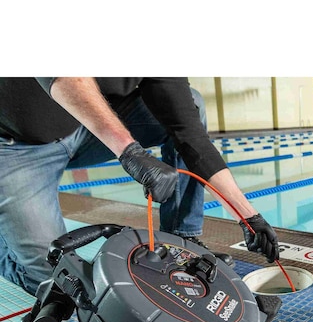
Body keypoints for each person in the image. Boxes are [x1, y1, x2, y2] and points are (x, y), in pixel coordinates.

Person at [0, 77, 280, 296]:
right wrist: (130, 151)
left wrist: (248, 216)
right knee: (55, 282)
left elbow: (187, 131)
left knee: (192, 102)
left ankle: (182, 240)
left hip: (85, 129)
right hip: (19, 144)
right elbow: (65, 77)